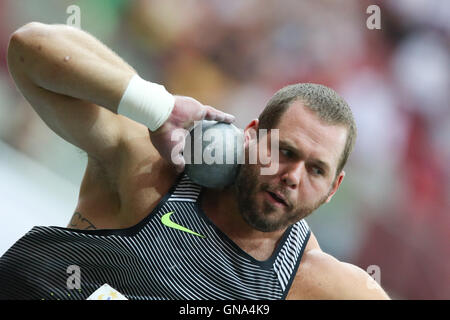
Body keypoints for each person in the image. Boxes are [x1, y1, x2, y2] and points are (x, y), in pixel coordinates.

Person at [0, 22, 389, 300]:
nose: (292, 176)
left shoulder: (314, 285)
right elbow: (29, 47)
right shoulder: (149, 171)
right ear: (249, 138)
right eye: (285, 152)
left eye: (316, 170)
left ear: (332, 190)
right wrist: (158, 107)